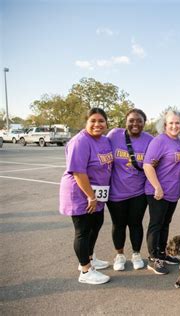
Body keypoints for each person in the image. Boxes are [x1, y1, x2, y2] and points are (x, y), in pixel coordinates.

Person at [59, 108, 113, 285]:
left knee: (95, 226)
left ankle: (90, 258)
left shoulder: (105, 140)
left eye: (101, 121)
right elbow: (78, 173)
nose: (97, 124)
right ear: (86, 122)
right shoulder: (80, 141)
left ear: (106, 123)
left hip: (96, 193)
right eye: (93, 121)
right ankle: (85, 270)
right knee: (82, 231)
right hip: (80, 193)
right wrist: (90, 196)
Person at [106, 109, 153, 271]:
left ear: (144, 123)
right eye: (132, 120)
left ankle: (136, 254)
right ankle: (119, 255)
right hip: (116, 192)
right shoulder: (114, 135)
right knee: (118, 224)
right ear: (125, 121)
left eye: (139, 121)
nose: (135, 124)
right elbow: (99, 148)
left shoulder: (149, 140)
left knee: (135, 223)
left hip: (138, 192)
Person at [143, 108, 180, 275]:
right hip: (158, 192)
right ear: (164, 125)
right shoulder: (159, 141)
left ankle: (162, 253)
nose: (174, 126)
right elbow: (148, 165)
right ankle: (153, 259)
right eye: (171, 123)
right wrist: (157, 186)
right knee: (156, 224)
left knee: (165, 223)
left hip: (173, 191)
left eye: (177, 123)